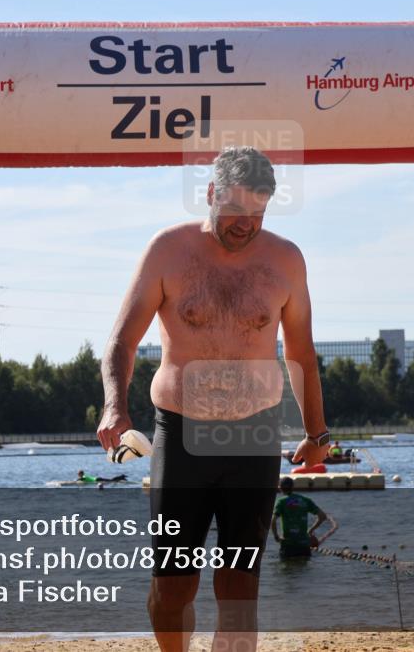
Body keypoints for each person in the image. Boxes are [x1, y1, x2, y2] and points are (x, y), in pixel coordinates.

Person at [95, 146, 329, 652]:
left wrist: (317, 434)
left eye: (258, 212)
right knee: (175, 583)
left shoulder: (285, 260)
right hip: (182, 433)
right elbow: (121, 342)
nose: (246, 224)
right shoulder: (168, 251)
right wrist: (116, 405)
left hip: (255, 434)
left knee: (240, 583)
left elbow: (303, 356)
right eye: (236, 211)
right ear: (209, 195)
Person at [271, 477, 337, 559]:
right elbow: (322, 516)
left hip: (288, 546)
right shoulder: (305, 500)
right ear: (292, 487)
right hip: (304, 547)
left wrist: (276, 537)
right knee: (303, 569)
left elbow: (273, 521)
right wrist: (311, 530)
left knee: (287, 570)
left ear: (280, 487)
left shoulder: (281, 502)